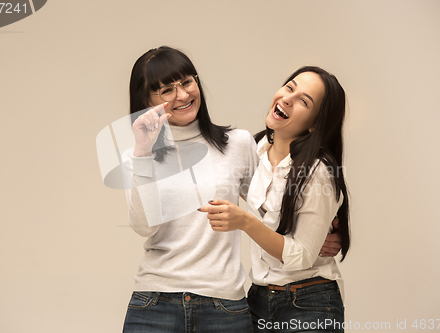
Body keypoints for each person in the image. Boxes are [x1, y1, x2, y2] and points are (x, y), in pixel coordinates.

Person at [122, 46, 342, 332]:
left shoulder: (237, 143)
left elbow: (271, 206)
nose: (183, 95)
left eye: (187, 82)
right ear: (146, 100)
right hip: (153, 302)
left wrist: (325, 232)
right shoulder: (137, 157)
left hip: (224, 307)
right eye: (166, 90)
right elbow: (144, 226)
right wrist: (143, 152)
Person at [199, 66, 350, 332]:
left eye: (304, 101)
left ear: (316, 122)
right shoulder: (255, 151)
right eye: (289, 87)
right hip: (258, 300)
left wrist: (246, 222)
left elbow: (302, 256)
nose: (287, 99)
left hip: (309, 301)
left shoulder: (318, 171)